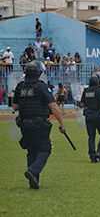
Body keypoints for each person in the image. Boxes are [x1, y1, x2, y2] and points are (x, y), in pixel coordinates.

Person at [12, 60, 66, 189]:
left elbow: (15, 106)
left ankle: (34, 182)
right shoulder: (41, 86)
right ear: (39, 73)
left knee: (31, 151)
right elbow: (53, 106)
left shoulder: (20, 86)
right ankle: (33, 171)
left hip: (24, 124)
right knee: (44, 149)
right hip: (38, 124)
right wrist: (62, 124)